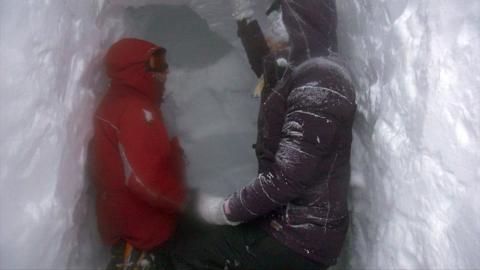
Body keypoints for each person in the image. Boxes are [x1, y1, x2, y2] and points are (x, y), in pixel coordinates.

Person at [91, 38, 186, 270]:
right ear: (135, 69)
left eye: (163, 62)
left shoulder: (123, 101)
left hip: (130, 222)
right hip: (143, 227)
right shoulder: (135, 109)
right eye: (156, 63)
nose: (165, 70)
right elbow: (144, 179)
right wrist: (185, 202)